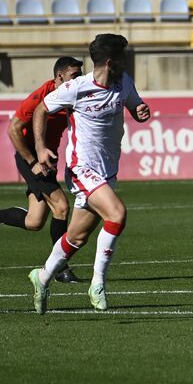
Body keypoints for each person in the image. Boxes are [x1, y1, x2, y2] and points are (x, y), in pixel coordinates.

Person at [27, 34, 151, 313]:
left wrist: (141, 111)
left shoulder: (124, 83)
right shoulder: (76, 88)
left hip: (107, 171)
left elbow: (136, 107)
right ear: (110, 62)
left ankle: (43, 276)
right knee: (117, 214)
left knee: (77, 237)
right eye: (122, 58)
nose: (126, 63)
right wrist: (41, 147)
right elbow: (40, 109)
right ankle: (98, 284)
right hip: (81, 168)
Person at [0, 56, 85, 285]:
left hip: (47, 158)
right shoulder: (43, 94)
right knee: (61, 206)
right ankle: (60, 268)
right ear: (60, 76)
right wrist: (32, 160)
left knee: (34, 221)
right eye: (75, 76)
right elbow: (13, 129)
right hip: (31, 157)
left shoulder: (76, 94)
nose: (79, 80)